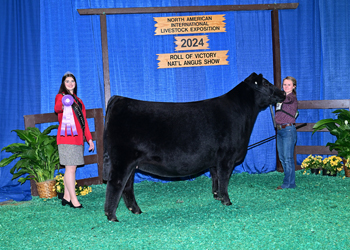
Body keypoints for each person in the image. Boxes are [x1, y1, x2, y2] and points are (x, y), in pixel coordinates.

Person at [54, 72, 94, 208]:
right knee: (70, 169)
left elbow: (84, 123)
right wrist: (66, 102)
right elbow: (57, 108)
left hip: (78, 139)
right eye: (67, 81)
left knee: (71, 168)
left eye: (72, 81)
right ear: (63, 84)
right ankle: (73, 200)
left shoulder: (79, 101)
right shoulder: (61, 97)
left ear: (75, 83)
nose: (70, 83)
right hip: (66, 138)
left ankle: (66, 196)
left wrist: (89, 139)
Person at [275, 76, 298, 190]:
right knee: (283, 157)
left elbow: (286, 100)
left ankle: (288, 184)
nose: (286, 86)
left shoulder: (291, 98)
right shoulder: (281, 98)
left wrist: (274, 95)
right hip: (280, 130)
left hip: (288, 130)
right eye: (284, 84)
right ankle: (290, 182)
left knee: (288, 158)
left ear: (293, 86)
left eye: (289, 84)